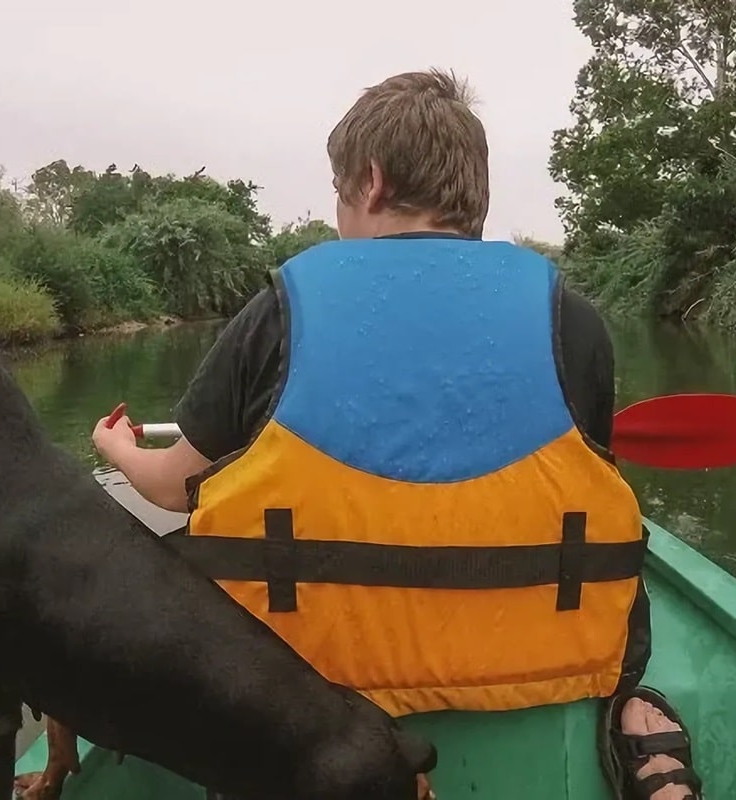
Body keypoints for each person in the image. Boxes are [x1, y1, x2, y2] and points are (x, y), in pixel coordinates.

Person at [91, 69, 702, 800]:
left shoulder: (280, 310)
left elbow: (174, 487)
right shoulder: (572, 320)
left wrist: (117, 449)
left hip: (304, 674)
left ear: (371, 182)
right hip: (539, 659)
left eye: (337, 187)